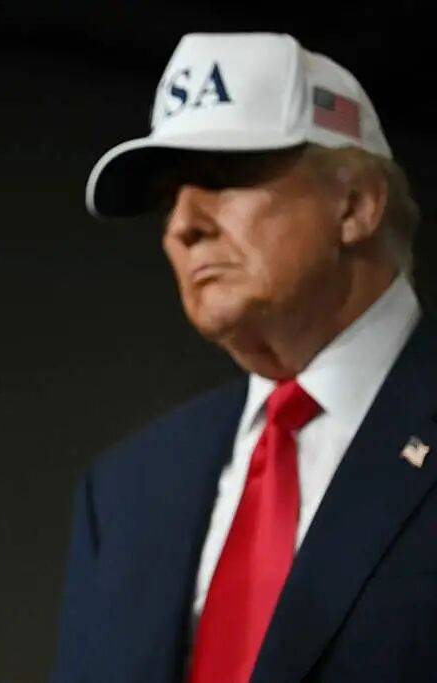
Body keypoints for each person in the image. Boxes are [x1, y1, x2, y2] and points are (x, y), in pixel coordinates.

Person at [53, 33, 432, 683]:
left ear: (355, 205)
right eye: (168, 197)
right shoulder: (125, 490)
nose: (183, 225)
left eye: (222, 178)